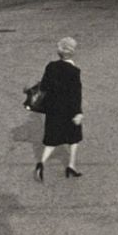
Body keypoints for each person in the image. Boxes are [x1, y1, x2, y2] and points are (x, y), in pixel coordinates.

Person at [34, 36, 83, 182]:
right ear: (72, 52)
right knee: (74, 138)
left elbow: (43, 87)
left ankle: (41, 163)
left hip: (53, 109)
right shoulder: (74, 71)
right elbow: (76, 94)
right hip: (69, 110)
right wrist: (78, 112)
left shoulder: (51, 66)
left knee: (52, 140)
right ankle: (71, 166)